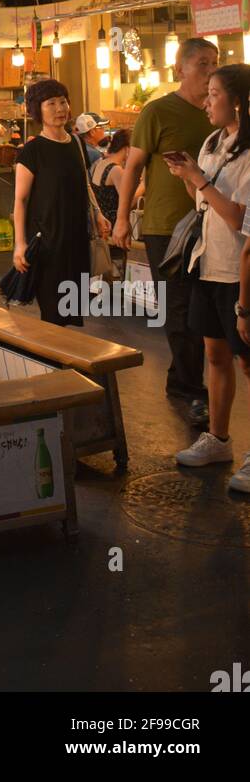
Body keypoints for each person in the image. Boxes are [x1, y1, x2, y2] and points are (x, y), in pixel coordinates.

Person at [114, 37, 219, 424]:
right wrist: (123, 218)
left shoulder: (219, 112)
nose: (210, 70)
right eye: (203, 63)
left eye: (215, 63)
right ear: (181, 69)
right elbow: (133, 167)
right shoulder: (158, 111)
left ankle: (183, 378)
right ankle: (191, 387)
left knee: (206, 304)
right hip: (166, 226)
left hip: (214, 223)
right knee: (179, 305)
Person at [162, 65, 250, 486]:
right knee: (215, 355)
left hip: (240, 269)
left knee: (248, 362)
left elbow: (237, 218)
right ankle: (218, 438)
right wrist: (188, 176)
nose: (206, 100)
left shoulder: (249, 151)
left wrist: (198, 177)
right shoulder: (213, 141)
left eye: (214, 93)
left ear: (237, 100)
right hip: (207, 263)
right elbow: (204, 203)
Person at [13, 79, 110, 327]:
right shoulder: (31, 151)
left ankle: (68, 359)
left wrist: (97, 213)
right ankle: (53, 361)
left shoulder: (76, 143)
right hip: (47, 241)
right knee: (53, 312)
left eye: (63, 101)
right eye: (51, 103)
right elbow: (20, 200)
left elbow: (84, 183)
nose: (60, 108)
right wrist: (20, 244)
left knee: (72, 307)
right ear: (37, 109)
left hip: (76, 237)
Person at [91, 129, 135, 227]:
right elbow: (129, 202)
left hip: (101, 223)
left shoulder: (101, 162)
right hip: (113, 224)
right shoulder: (116, 170)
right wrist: (144, 185)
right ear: (127, 148)